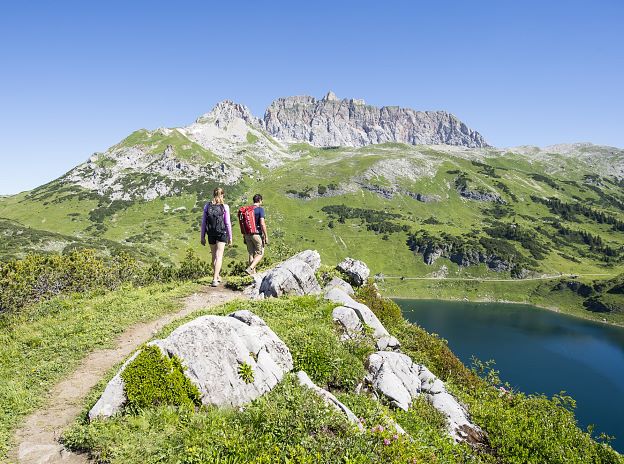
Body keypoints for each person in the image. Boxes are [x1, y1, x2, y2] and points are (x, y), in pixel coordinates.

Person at [200, 187, 232, 287]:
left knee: (213, 256)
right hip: (221, 233)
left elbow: (203, 222)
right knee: (219, 256)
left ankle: (217, 276)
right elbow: (227, 223)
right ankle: (215, 279)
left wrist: (202, 236)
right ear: (222, 195)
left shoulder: (207, 206)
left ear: (213, 194)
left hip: (211, 234)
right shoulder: (224, 207)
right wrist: (230, 237)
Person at [244, 193, 268, 275]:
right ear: (260, 200)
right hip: (256, 234)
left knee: (251, 254)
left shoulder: (248, 209)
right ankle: (250, 268)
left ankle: (252, 275)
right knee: (260, 253)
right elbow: (262, 223)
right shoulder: (260, 209)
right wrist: (266, 236)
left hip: (247, 234)